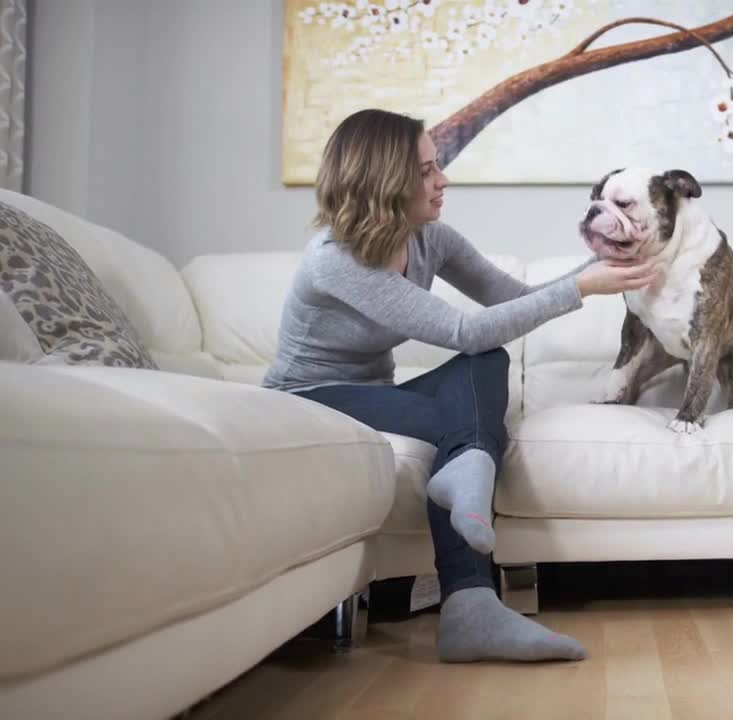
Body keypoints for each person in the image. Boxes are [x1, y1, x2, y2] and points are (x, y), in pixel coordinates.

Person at [261, 108, 658, 663]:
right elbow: (461, 330)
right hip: (307, 399)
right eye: (426, 170)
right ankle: (471, 597)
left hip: (378, 393)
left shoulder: (430, 239)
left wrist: (601, 263)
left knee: (483, 368)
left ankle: (471, 603)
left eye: (437, 166)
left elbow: (511, 298)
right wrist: (584, 289)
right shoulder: (334, 259)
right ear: (384, 180)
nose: (442, 179)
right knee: (469, 417)